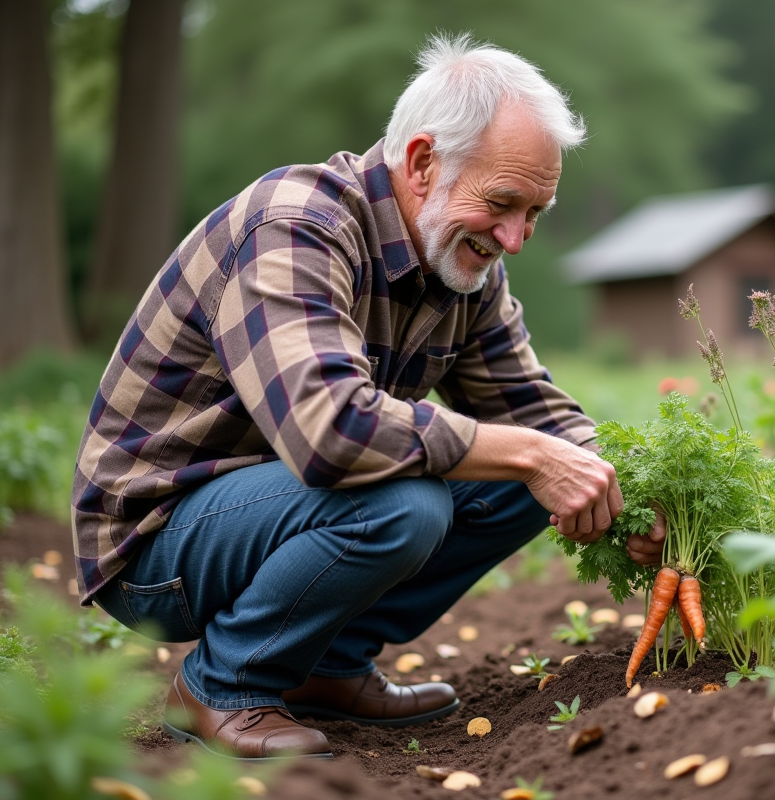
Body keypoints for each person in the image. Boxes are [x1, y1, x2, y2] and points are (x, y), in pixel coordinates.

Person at [71, 34, 664, 761]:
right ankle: (222, 687)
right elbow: (330, 433)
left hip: (278, 509)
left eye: (535, 211)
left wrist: (622, 489)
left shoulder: (463, 265)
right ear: (421, 164)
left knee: (532, 478)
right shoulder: (295, 225)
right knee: (406, 504)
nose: (516, 237)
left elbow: (531, 409)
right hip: (157, 544)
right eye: (503, 203)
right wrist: (534, 454)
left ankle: (324, 666)